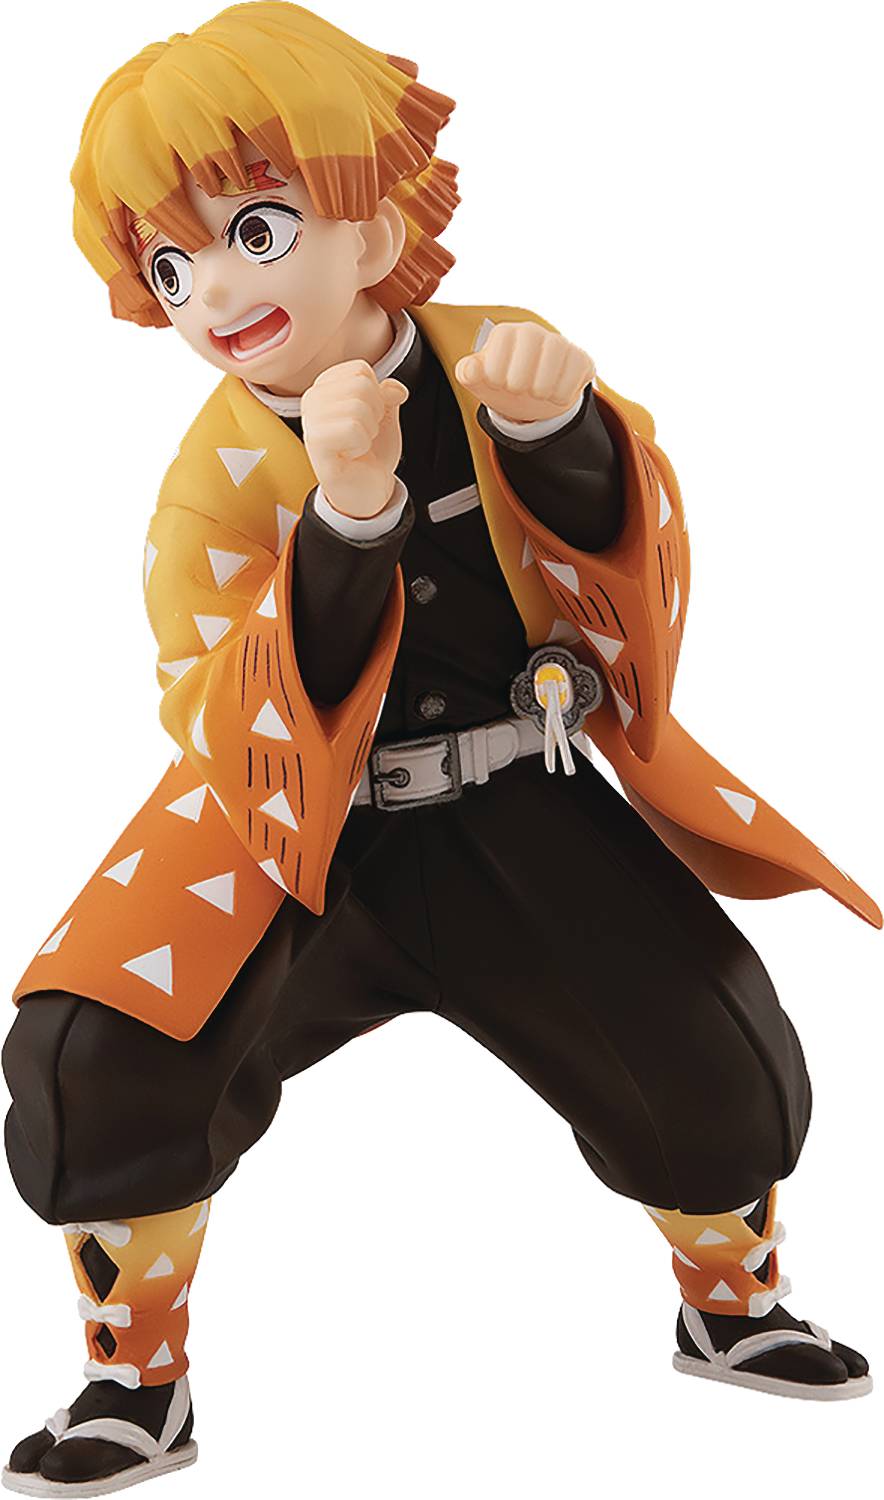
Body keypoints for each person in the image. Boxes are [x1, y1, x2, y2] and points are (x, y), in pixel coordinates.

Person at [2, 4, 879, 1494]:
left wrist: (561, 437)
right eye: (171, 266)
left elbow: (640, 580)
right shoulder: (211, 479)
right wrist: (344, 523)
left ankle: (732, 1306)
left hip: (517, 800)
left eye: (254, 230)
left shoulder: (499, 365)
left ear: (374, 218)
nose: (215, 293)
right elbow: (213, 700)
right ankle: (134, 1384)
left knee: (710, 1050)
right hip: (302, 837)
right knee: (102, 1051)